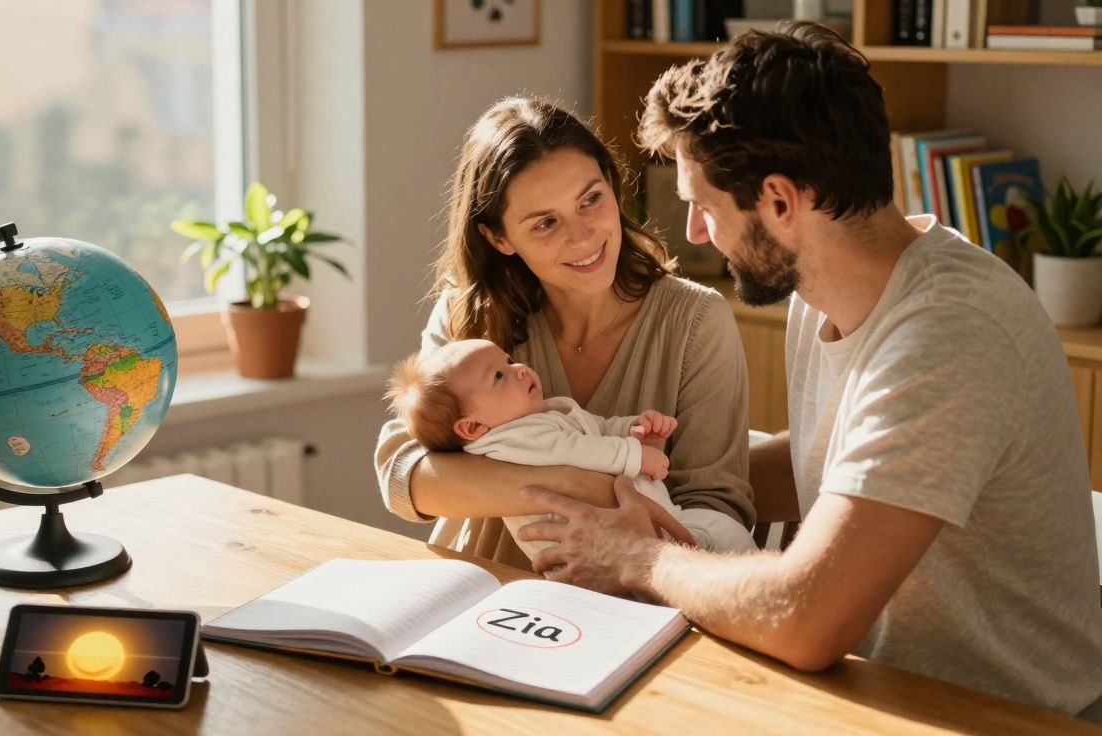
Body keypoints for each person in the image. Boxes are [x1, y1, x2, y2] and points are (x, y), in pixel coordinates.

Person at [515, 23, 1102, 718]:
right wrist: (648, 482)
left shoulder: (949, 335)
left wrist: (637, 557)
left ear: (780, 202)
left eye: (703, 205)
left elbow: (805, 617)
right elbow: (851, 458)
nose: (695, 231)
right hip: (879, 692)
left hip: (1007, 715)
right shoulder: (826, 287)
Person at [374, 96, 755, 572]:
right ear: (498, 238)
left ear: (612, 186)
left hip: (636, 597)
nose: (583, 236)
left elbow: (717, 509)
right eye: (546, 223)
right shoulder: (467, 314)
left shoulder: (696, 322)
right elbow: (403, 477)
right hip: (481, 582)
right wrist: (576, 482)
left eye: (591, 199)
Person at [384, 338, 759, 560]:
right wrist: (634, 456)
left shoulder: (540, 416)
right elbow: (575, 449)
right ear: (472, 427)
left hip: (643, 529)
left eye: (509, 360)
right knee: (724, 541)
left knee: (724, 534)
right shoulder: (507, 441)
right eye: (499, 376)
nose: (520, 368)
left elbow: (594, 430)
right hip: (599, 550)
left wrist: (633, 429)